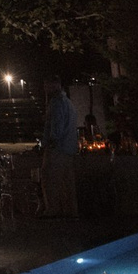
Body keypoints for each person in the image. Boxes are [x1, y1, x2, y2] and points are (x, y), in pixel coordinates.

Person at [40, 77, 80, 216]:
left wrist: (50, 143)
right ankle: (69, 211)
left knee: (50, 179)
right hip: (68, 148)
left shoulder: (56, 103)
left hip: (57, 149)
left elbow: (56, 127)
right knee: (66, 182)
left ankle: (53, 210)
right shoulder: (68, 102)